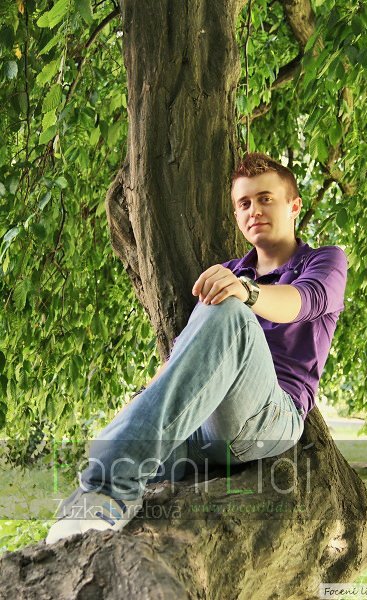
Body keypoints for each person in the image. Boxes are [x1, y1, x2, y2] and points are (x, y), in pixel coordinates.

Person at [46, 152, 348, 544]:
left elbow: (304, 301)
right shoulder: (230, 272)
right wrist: (140, 404)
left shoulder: (323, 260)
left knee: (229, 309)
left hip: (271, 417)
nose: (254, 210)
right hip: (203, 423)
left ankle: (108, 491)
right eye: (244, 203)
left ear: (294, 205)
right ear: (236, 215)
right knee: (120, 452)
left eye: (265, 199)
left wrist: (246, 292)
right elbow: (185, 358)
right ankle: (82, 516)